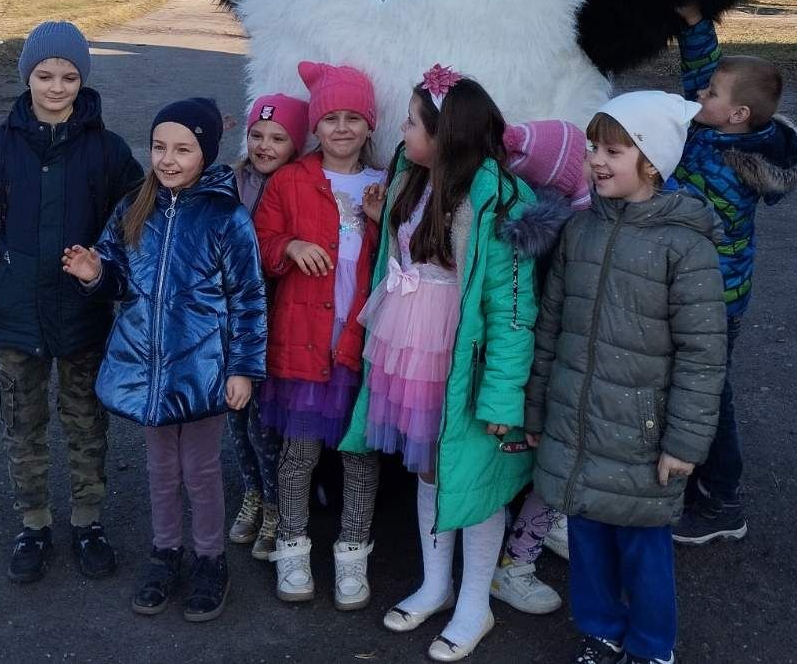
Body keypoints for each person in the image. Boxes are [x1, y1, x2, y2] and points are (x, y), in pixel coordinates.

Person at [339, 67, 539, 661]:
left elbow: (511, 310)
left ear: (445, 134)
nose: (400, 130)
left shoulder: (498, 203)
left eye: (410, 121)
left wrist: (505, 397)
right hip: (411, 350)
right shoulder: (413, 175)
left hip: (463, 360)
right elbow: (411, 253)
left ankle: (475, 603)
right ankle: (435, 582)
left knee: (473, 478)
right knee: (430, 467)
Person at [525, 92, 727, 664]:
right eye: (593, 147)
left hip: (643, 436)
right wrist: (538, 409)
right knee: (587, 540)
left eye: (614, 150)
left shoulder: (684, 247)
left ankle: (651, 645)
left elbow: (703, 354)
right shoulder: (580, 230)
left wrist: (684, 443)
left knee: (642, 546)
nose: (596, 160)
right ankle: (601, 629)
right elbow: (551, 326)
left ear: (653, 161)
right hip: (577, 422)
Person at [0, 20, 141, 585]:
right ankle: (33, 522)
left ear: (84, 80)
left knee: (86, 421)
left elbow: (135, 220)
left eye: (70, 76)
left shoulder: (107, 153)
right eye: (45, 75)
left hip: (82, 315)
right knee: (22, 424)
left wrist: (106, 278)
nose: (57, 87)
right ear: (27, 76)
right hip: (14, 318)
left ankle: (88, 522)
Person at [64, 98, 266, 623]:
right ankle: (164, 553)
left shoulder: (227, 217)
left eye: (183, 149)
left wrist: (242, 367)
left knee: (199, 468)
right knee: (159, 468)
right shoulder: (135, 205)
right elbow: (118, 272)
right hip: (145, 367)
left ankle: (209, 559)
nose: (168, 159)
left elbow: (248, 297)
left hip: (202, 370)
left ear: (206, 152)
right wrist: (94, 273)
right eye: (159, 147)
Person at [669, 7, 797, 549]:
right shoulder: (721, 130)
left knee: (708, 395)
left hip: (713, 302)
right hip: (698, 294)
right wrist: (694, 23)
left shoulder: (734, 168)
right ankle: (690, 481)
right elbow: (701, 72)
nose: (699, 96)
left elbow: (682, 205)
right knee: (693, 390)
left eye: (711, 95)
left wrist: (640, 175)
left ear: (737, 114)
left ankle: (722, 500)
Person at [252, 63, 385, 609]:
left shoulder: (382, 183)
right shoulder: (290, 180)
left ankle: (353, 555)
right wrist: (288, 247)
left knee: (359, 457)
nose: (342, 128)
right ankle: (292, 549)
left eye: (354, 118)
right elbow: (258, 239)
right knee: (298, 453)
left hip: (357, 347)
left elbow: (396, 263)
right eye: (331, 118)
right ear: (316, 126)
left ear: (370, 125)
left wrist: (381, 221)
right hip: (301, 345)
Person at [492, 119, 592, 616]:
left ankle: (537, 536)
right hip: (559, 370)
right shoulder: (573, 232)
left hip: (552, 367)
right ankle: (516, 564)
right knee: (556, 464)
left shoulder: (551, 219)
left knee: (553, 465)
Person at [227, 93, 309, 562]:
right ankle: (252, 492)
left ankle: (277, 504)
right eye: (257, 134)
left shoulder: (298, 184)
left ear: (295, 143)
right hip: (230, 319)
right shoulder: (231, 181)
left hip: (276, 319)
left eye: (278, 137)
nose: (265, 145)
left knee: (265, 421)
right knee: (235, 417)